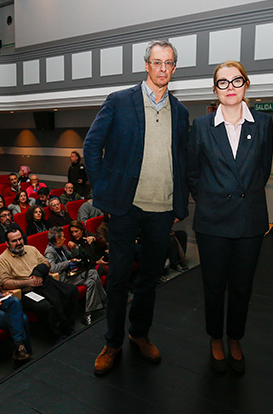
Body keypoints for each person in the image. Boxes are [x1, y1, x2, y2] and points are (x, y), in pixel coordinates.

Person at [83, 39, 190, 375]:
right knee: (117, 279)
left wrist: (178, 203)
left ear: (174, 67)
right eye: (156, 63)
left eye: (168, 63)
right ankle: (112, 342)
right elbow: (91, 147)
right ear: (146, 65)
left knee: (149, 278)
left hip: (162, 210)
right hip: (125, 209)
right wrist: (106, 195)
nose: (162, 69)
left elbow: (182, 161)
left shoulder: (181, 112)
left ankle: (139, 334)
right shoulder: (119, 102)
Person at [186, 60, 273, 374]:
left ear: (246, 85)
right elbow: (192, 173)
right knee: (213, 286)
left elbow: (262, 171)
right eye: (223, 83)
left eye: (236, 81)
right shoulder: (201, 126)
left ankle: (235, 336)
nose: (230, 88)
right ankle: (215, 336)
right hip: (212, 221)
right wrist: (210, 199)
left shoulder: (263, 123)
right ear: (215, 89)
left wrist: (242, 197)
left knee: (242, 286)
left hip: (250, 220)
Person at [0, 230, 79, 338]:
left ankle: (67, 326)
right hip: (27, 291)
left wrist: (38, 273)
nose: (19, 243)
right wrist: (29, 282)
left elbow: (46, 263)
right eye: (14, 241)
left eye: (20, 239)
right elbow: (5, 284)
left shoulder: (31, 249)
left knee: (72, 290)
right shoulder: (2, 260)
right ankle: (56, 336)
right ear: (7, 243)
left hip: (45, 282)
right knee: (46, 306)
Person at [45, 226, 106, 325]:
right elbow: (52, 268)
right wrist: (68, 262)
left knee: (91, 279)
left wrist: (75, 249)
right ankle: (102, 300)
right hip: (63, 277)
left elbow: (72, 256)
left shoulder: (62, 247)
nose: (65, 238)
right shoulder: (50, 251)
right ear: (57, 239)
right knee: (93, 274)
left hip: (72, 272)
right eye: (63, 237)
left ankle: (88, 312)